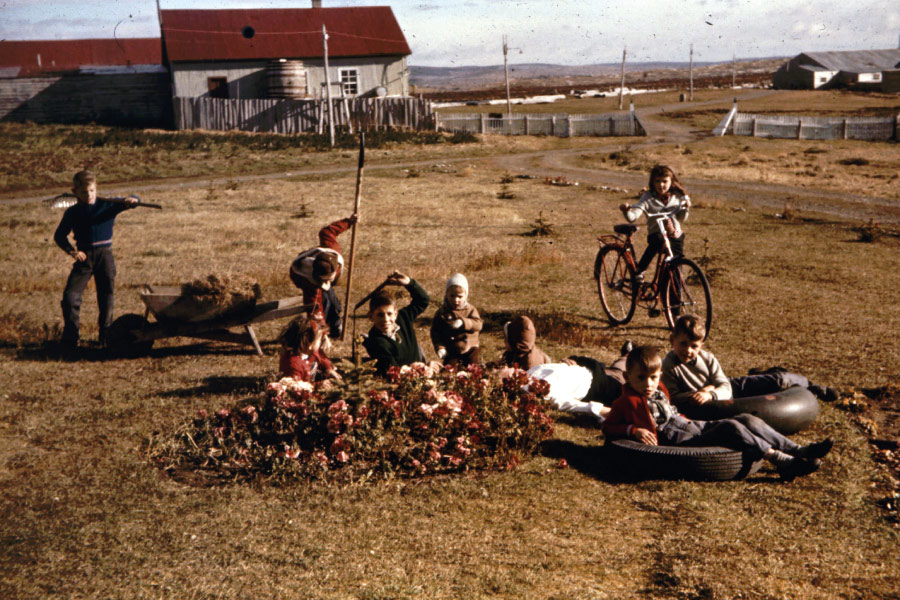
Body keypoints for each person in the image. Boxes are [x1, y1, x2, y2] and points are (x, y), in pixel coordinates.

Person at [602, 345, 834, 481]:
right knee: (730, 428)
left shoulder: (659, 388)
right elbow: (608, 427)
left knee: (746, 419)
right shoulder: (625, 401)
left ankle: (798, 450)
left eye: (653, 377)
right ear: (628, 377)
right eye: (641, 378)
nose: (648, 384)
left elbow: (671, 409)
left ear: (659, 376)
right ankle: (782, 461)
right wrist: (633, 430)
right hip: (677, 439)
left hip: (688, 425)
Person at [661, 314, 838, 408]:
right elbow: (673, 398)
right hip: (712, 402)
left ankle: (811, 386)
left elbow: (725, 386)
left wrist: (711, 393)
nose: (688, 350)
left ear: (701, 345)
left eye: (694, 346)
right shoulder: (668, 366)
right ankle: (767, 375)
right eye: (683, 344)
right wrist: (703, 392)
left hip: (728, 390)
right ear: (672, 341)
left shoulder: (707, 358)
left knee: (779, 380)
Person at [53, 170, 140, 350]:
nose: (89, 195)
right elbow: (59, 236)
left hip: (105, 256)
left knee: (106, 295)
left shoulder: (107, 204)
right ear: (75, 192)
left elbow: (133, 200)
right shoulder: (72, 212)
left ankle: (106, 336)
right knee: (70, 297)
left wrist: (133, 199)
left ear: (96, 188)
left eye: (92, 191)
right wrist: (72, 251)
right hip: (84, 258)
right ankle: (71, 338)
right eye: (84, 192)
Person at [525, 340, 633, 423]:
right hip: (602, 386)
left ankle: (627, 356)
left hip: (589, 367)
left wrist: (572, 360)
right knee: (620, 372)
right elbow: (571, 405)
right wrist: (604, 411)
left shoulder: (526, 374)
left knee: (616, 370)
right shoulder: (541, 393)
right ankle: (628, 355)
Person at [289, 214, 357, 339]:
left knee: (334, 304)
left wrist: (348, 222)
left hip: (318, 272)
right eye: (323, 280)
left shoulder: (332, 249)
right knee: (323, 304)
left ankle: (336, 327)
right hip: (300, 275)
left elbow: (326, 232)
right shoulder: (310, 282)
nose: (327, 281)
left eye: (328, 278)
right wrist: (322, 334)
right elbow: (315, 312)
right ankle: (325, 331)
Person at [619, 164, 691, 279]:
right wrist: (626, 211)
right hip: (656, 234)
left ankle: (675, 288)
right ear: (652, 182)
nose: (661, 185)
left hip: (674, 234)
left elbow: (681, 219)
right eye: (657, 181)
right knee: (657, 241)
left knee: (676, 265)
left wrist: (686, 208)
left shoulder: (677, 196)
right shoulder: (647, 197)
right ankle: (640, 270)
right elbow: (633, 217)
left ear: (671, 181)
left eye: (665, 181)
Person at [362, 271, 430, 376]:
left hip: (421, 370)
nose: (386, 319)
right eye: (380, 315)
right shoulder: (376, 341)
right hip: (403, 379)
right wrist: (412, 370)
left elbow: (423, 300)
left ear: (395, 313)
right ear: (371, 316)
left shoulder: (403, 317)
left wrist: (409, 283)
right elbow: (391, 368)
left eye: (389, 314)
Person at [430, 273, 482, 368]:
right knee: (448, 370)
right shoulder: (442, 312)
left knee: (473, 369)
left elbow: (478, 324)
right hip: (451, 349)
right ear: (446, 294)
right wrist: (440, 347)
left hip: (470, 348)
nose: (456, 300)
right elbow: (435, 332)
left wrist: (464, 322)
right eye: (452, 296)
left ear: (466, 295)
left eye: (460, 297)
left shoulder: (470, 309)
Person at [278, 315, 341, 382]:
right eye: (319, 340)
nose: (320, 343)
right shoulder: (294, 365)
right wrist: (318, 385)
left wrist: (328, 368)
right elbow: (299, 386)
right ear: (309, 344)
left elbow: (322, 357)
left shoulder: (311, 352)